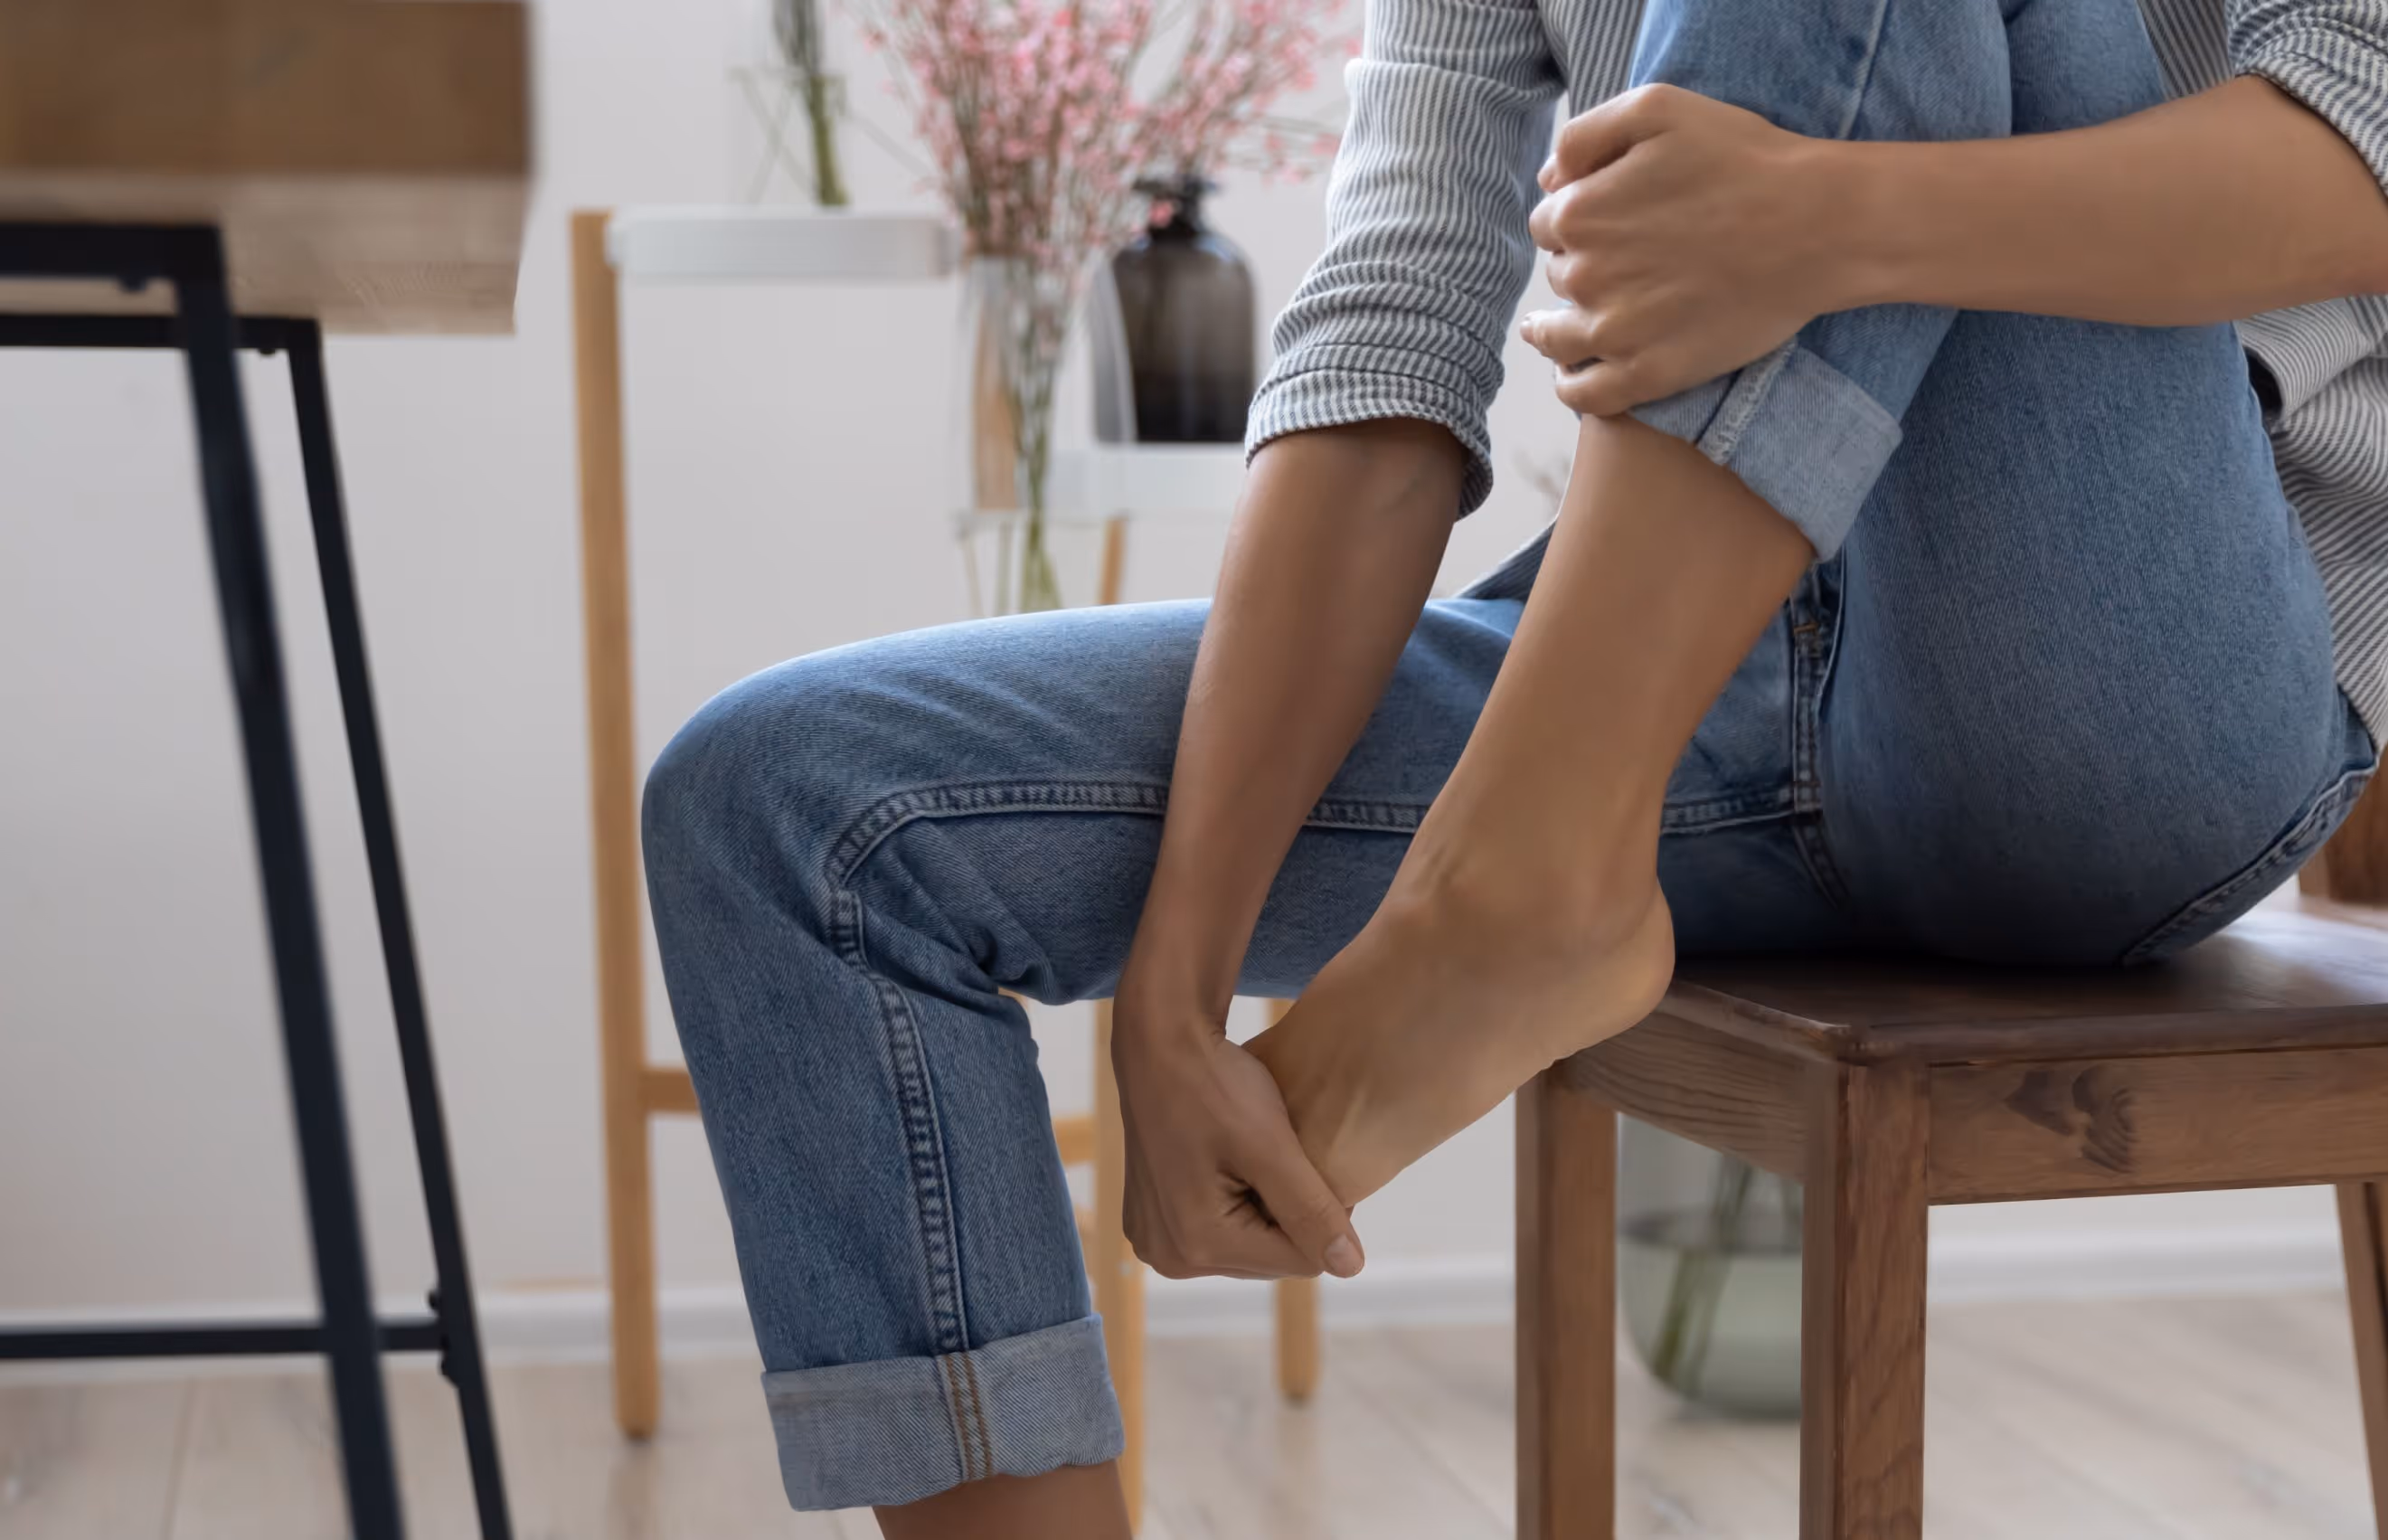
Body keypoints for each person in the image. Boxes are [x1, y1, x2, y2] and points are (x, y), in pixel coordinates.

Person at [640, 0, 2388, 1531]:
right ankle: (1539, 850)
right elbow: (1390, 333)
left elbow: (2358, 149)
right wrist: (1176, 975)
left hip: (2115, 680)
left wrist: (1829, 219)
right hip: (1669, 664)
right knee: (794, 807)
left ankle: (1526, 879)